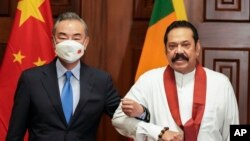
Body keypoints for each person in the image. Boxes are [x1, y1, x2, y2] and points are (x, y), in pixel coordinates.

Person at [112, 20, 239, 141]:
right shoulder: (149, 80)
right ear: (165, 51)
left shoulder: (221, 83)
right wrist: (158, 132)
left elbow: (235, 132)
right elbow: (118, 119)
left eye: (185, 45)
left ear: (197, 48)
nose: (178, 51)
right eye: (172, 46)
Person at [6, 12, 120, 141]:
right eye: (63, 37)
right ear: (54, 41)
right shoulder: (31, 79)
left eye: (76, 38)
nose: (69, 43)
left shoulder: (101, 81)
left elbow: (123, 116)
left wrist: (142, 112)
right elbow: (15, 133)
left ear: (86, 42)